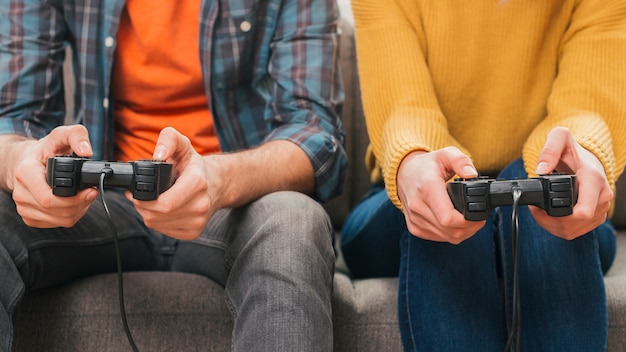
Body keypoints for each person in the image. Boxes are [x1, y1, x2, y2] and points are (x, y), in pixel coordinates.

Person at [0, 0, 347, 351]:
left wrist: (220, 179)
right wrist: (18, 160)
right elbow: (11, 119)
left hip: (234, 203)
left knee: (294, 221)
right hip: (101, 205)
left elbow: (317, 138)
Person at [341, 0, 626, 351]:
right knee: (456, 198)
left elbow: (587, 102)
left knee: (547, 196)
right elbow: (405, 105)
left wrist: (572, 161)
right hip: (401, 197)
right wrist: (416, 160)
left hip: (548, 218)